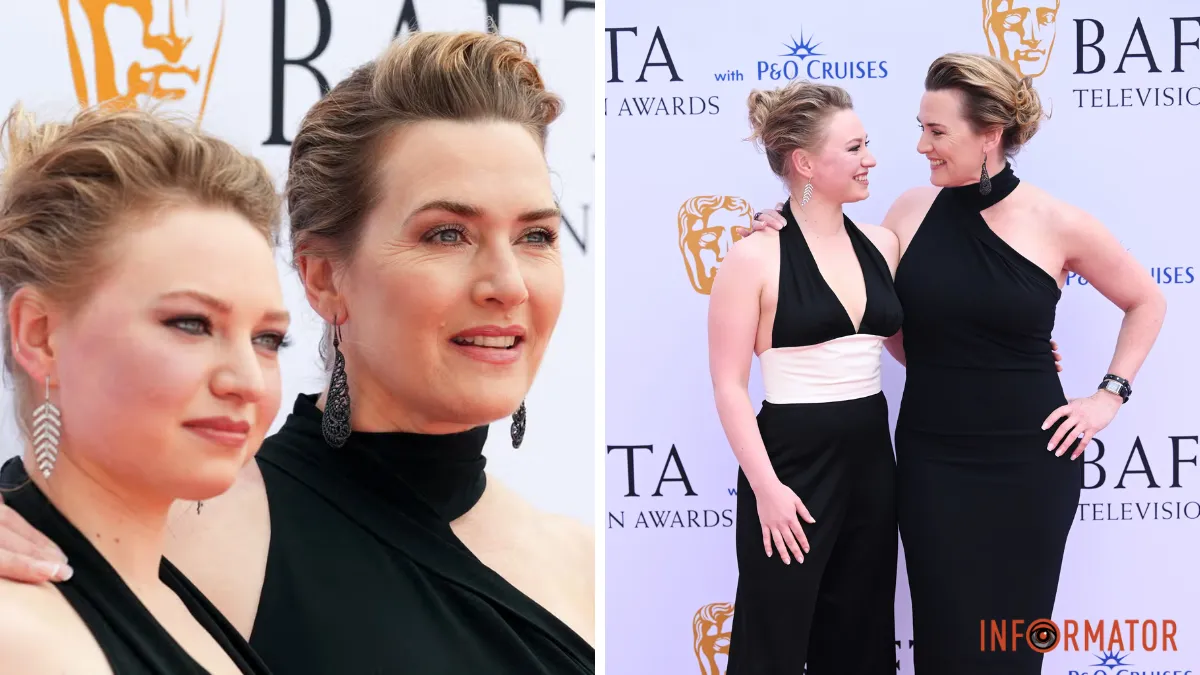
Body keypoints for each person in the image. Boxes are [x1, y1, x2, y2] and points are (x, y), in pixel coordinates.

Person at [0, 30, 594, 674]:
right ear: (323, 277)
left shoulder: (588, 568)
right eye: (447, 234)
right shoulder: (190, 521)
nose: (508, 284)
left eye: (537, 235)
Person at [749, 53, 1164, 674]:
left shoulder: (1058, 222)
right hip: (932, 461)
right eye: (921, 128)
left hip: (1030, 462)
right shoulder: (909, 212)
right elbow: (857, 287)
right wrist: (782, 222)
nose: (921, 145)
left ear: (989, 134)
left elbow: (1146, 301)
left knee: (1010, 647)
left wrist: (1108, 395)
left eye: (937, 131)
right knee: (943, 641)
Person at [0, 105, 284, 673]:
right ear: (41, 335)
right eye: (191, 324)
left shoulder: (179, 600)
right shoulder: (26, 636)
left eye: (268, 339)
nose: (247, 382)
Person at [708, 80, 902, 675]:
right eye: (855, 148)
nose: (871, 159)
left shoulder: (883, 244)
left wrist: (1006, 353)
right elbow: (728, 386)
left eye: (867, 145)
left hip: (873, 460)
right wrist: (766, 488)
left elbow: (908, 347)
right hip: (791, 467)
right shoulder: (754, 256)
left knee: (863, 636)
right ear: (805, 163)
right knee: (773, 639)